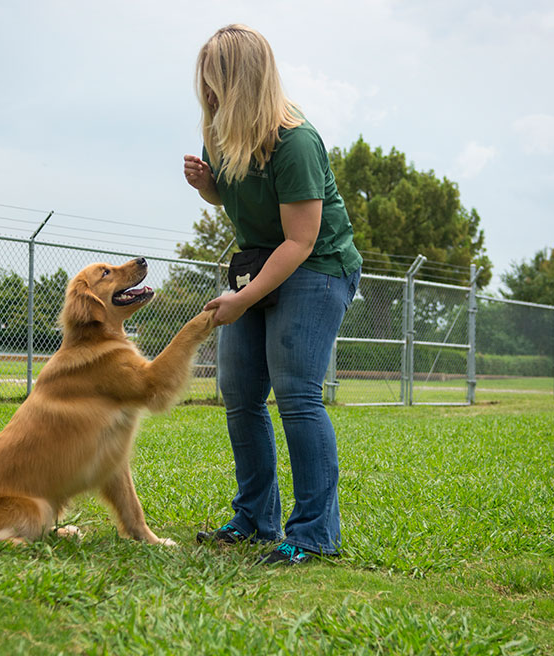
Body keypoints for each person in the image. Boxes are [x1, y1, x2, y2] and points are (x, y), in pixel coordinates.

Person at [183, 24, 362, 565]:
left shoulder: (296, 141)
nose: (207, 94)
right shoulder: (219, 132)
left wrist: (241, 299)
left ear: (244, 81)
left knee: (297, 394)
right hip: (261, 261)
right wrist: (208, 187)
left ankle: (312, 534)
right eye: (204, 84)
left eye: (216, 83)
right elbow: (240, 197)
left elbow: (302, 240)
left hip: (318, 266)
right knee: (238, 390)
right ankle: (255, 518)